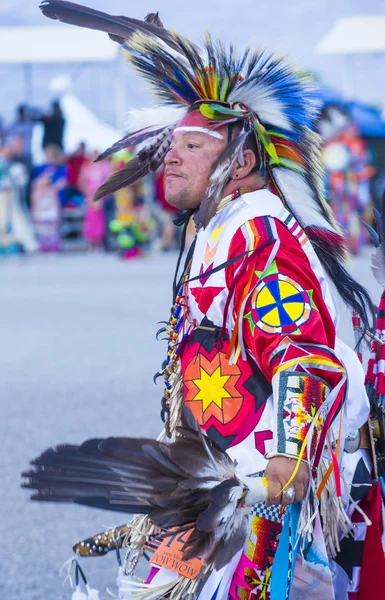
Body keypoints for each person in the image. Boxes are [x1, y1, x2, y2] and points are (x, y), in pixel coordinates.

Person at [25, 3, 383, 600]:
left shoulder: (258, 236)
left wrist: (290, 459)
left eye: (192, 145)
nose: (171, 155)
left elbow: (306, 355)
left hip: (266, 494)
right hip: (218, 476)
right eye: (171, 143)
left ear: (240, 162)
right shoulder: (218, 231)